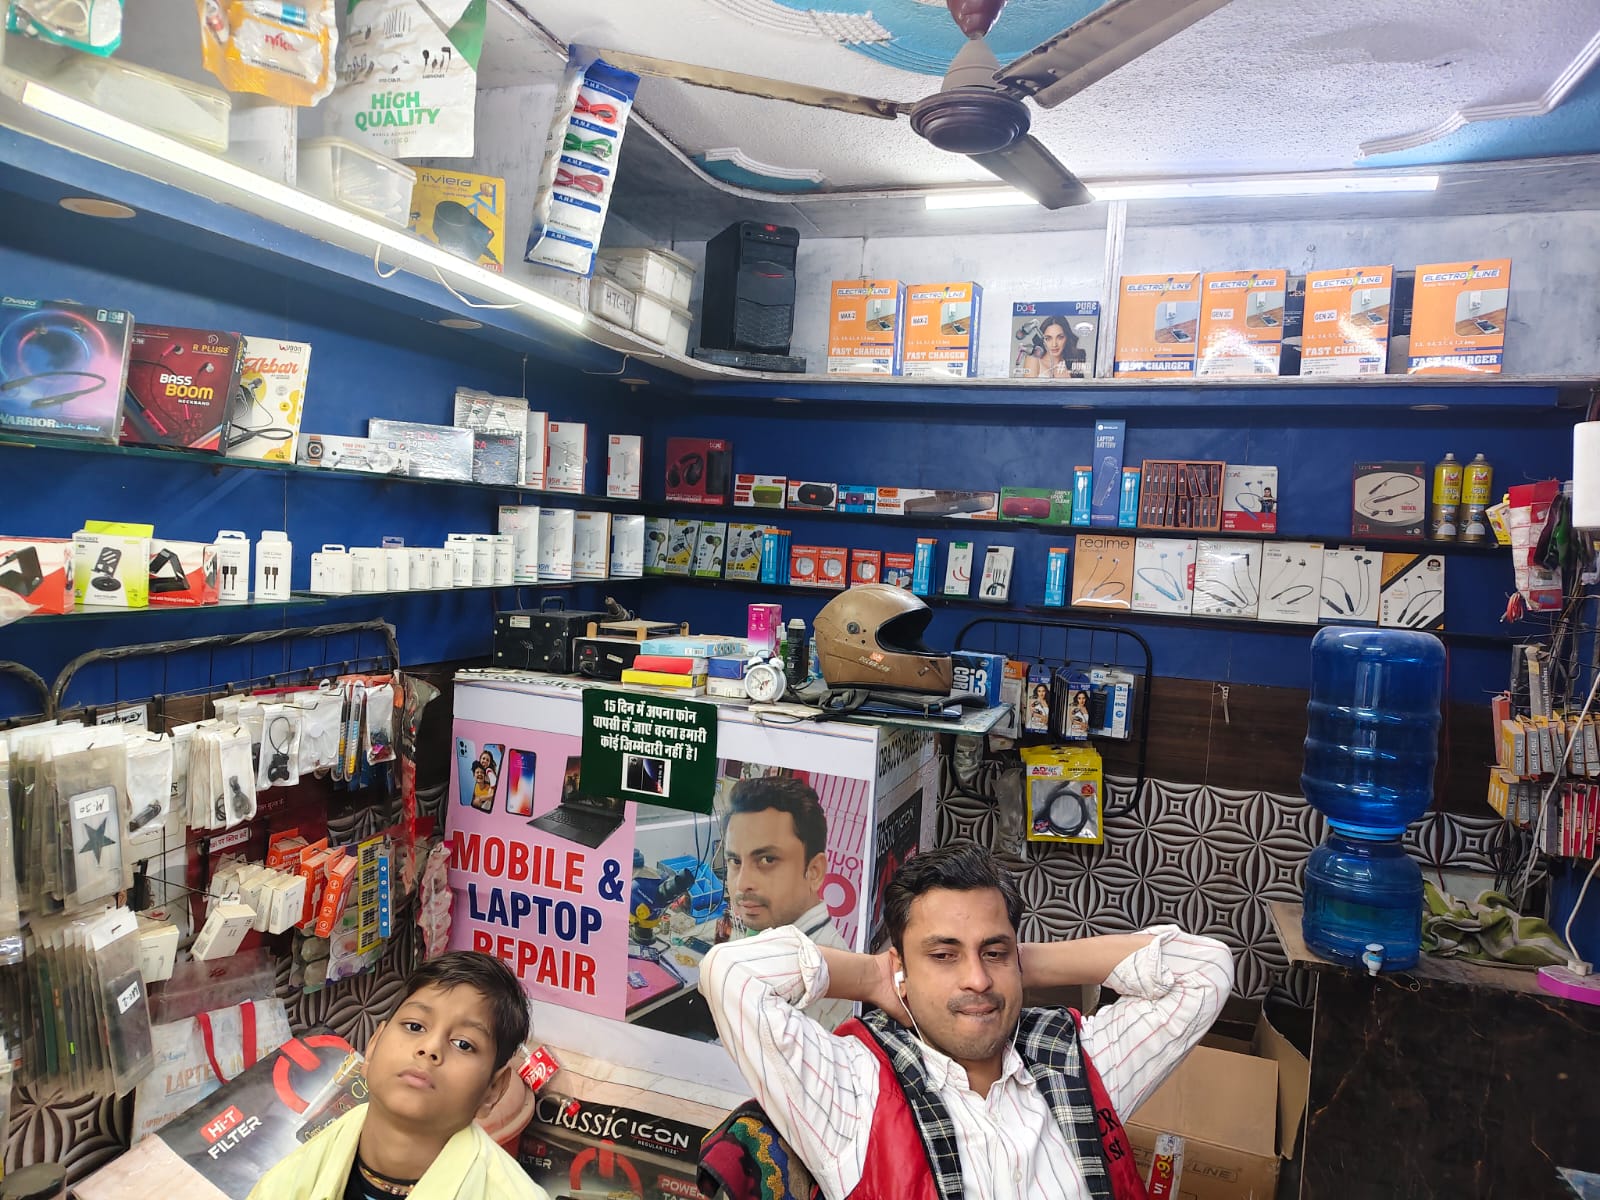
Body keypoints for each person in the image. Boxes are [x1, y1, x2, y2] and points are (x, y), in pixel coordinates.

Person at [700, 843, 1233, 1200]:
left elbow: (1204, 970)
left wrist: (1020, 964)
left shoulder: (1077, 1061)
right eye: (944, 955)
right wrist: (872, 977)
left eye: (993, 952)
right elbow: (732, 975)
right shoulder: (854, 1092)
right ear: (901, 967)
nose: (977, 979)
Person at [249, 952, 549, 1200]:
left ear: (493, 1089)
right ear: (373, 1045)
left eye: (463, 1044)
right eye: (415, 1026)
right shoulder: (288, 1181)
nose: (430, 1048)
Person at [723, 773, 851, 1028]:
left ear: (814, 871)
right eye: (735, 861)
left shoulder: (817, 984)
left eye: (767, 860)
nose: (742, 883)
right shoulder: (777, 938)